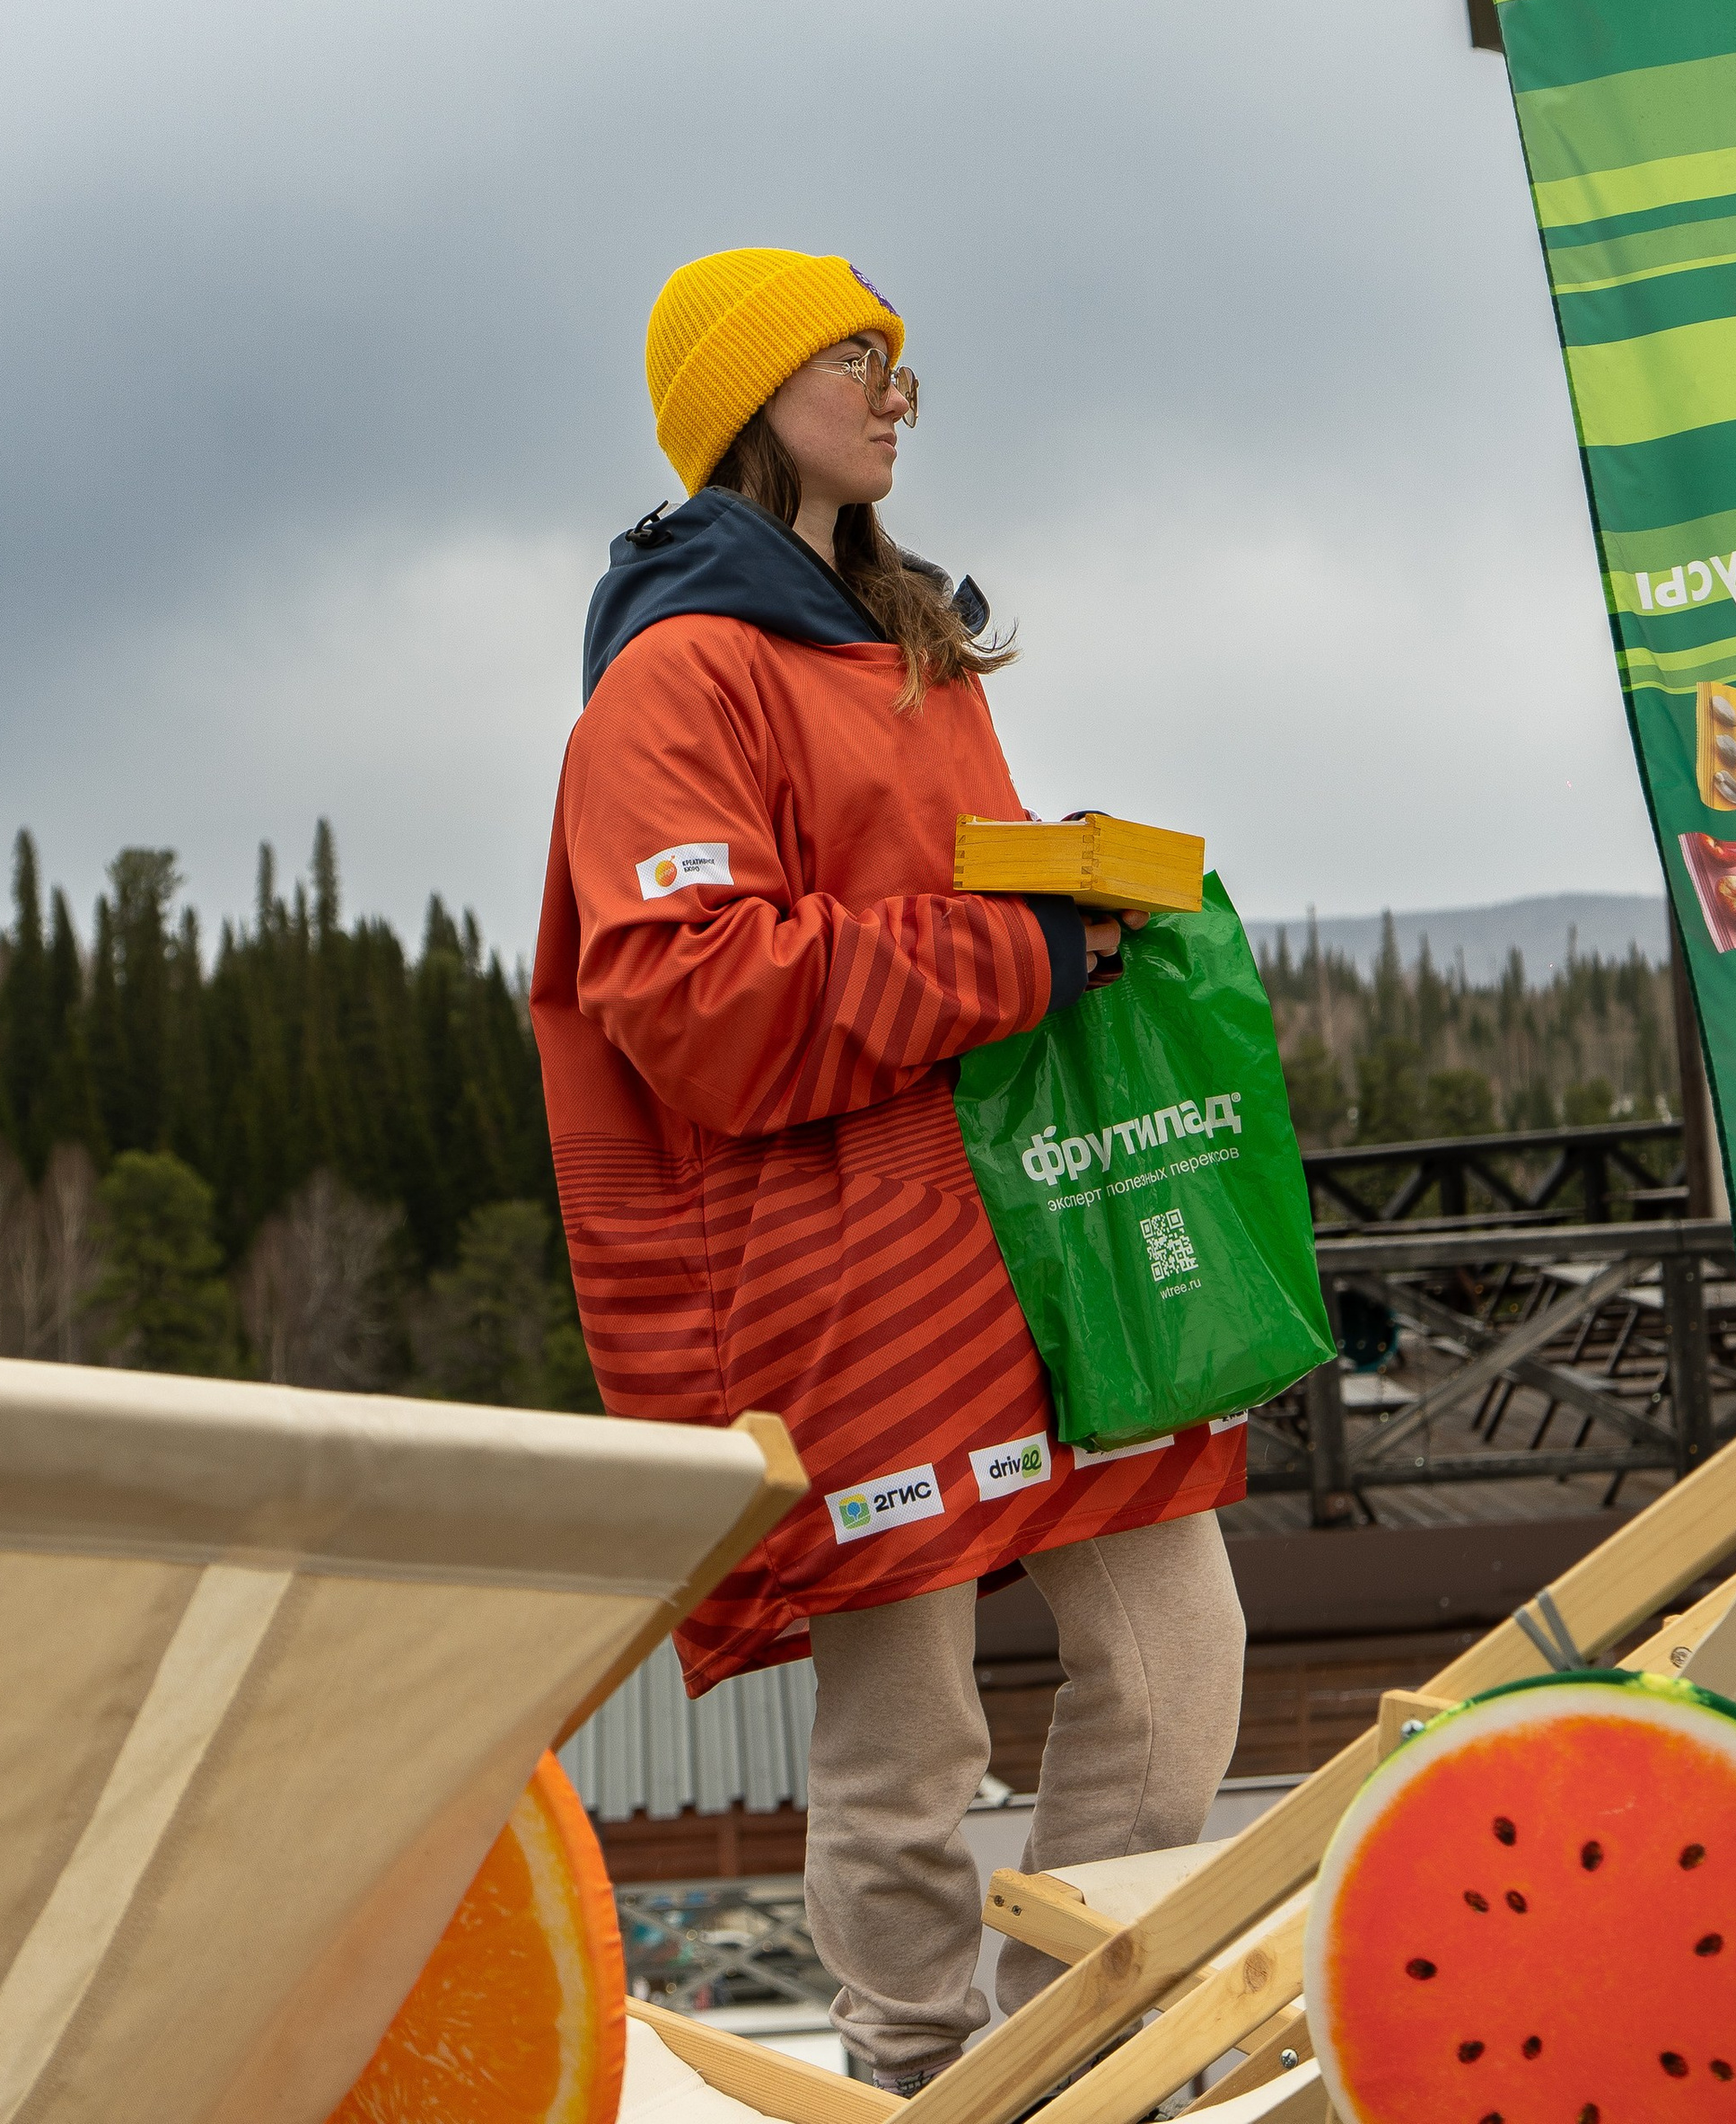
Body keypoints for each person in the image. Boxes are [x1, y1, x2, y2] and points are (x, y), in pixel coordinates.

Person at [530, 245, 1248, 2092]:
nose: (894, 393)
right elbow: (688, 996)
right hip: (847, 1271)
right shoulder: (676, 675)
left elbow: (923, 901)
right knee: (908, 1733)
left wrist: (1070, 900)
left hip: (1032, 1230)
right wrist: (1014, 948)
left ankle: (1076, 2055)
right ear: (745, 402)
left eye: (898, 361)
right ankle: (918, 2074)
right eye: (851, 360)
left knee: (1177, 1652)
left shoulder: (909, 638)